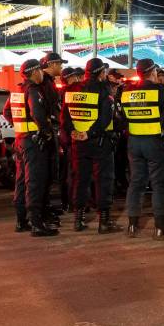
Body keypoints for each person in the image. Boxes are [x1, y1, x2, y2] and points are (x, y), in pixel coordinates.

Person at [117, 58, 164, 239]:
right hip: (155, 142)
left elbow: (122, 118)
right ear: (153, 72)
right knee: (160, 184)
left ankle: (132, 226)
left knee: (136, 183)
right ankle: (160, 228)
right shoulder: (161, 91)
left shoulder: (127, 92)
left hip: (134, 142)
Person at [61, 58, 122, 234]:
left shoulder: (72, 89)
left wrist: (73, 131)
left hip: (78, 143)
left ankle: (78, 220)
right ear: (101, 73)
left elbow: (64, 116)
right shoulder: (104, 89)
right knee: (104, 180)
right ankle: (104, 222)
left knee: (80, 180)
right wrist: (90, 133)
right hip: (99, 142)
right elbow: (105, 119)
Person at [2, 59, 59, 237]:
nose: (42, 73)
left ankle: (21, 221)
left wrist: (21, 126)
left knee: (21, 182)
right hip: (34, 143)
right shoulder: (33, 90)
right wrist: (46, 132)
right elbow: (38, 114)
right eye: (40, 70)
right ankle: (36, 223)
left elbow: (6, 112)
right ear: (34, 72)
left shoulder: (17, 90)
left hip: (21, 140)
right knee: (35, 182)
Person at [39, 52, 66, 223]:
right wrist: (46, 130)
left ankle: (46, 209)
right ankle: (43, 212)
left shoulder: (47, 82)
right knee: (46, 175)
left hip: (49, 133)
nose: (61, 67)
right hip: (47, 135)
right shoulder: (43, 84)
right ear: (51, 64)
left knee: (50, 174)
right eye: (59, 64)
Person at [57, 67, 84, 212]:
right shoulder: (69, 93)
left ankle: (68, 202)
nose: (77, 79)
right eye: (74, 77)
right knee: (72, 172)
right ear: (68, 78)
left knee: (68, 172)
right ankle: (71, 203)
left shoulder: (61, 93)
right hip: (70, 138)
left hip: (66, 137)